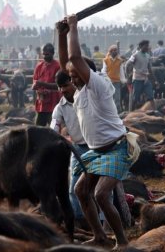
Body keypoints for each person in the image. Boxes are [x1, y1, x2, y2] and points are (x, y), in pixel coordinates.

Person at [56, 14, 131, 248]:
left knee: (100, 195)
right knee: (80, 190)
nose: (73, 79)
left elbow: (75, 58)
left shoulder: (98, 84)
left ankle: (122, 242)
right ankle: (100, 237)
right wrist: (61, 34)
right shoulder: (78, 89)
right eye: (71, 77)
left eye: (76, 75)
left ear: (87, 72)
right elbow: (65, 64)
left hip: (116, 149)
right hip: (95, 152)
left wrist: (74, 27)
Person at [50, 70, 89, 226]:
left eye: (65, 85)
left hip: (97, 146)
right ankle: (80, 219)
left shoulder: (86, 97)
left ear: (73, 82)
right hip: (77, 148)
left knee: (101, 190)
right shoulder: (61, 106)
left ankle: (103, 221)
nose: (62, 90)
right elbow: (55, 123)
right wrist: (52, 136)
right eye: (60, 87)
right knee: (73, 189)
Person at [32, 43, 61, 126]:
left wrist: (43, 84)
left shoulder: (58, 66)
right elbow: (34, 83)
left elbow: (59, 85)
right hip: (41, 103)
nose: (44, 56)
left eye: (47, 54)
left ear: (52, 53)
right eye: (43, 54)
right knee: (38, 129)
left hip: (54, 103)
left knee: (54, 129)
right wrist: (37, 87)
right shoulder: (39, 66)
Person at [125, 40, 156, 111]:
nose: (147, 48)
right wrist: (128, 77)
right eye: (146, 46)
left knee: (151, 96)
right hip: (137, 79)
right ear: (140, 46)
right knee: (136, 98)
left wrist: (154, 79)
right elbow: (127, 64)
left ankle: (154, 111)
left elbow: (149, 68)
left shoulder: (148, 56)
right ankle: (131, 112)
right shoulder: (135, 55)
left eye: (148, 46)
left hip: (145, 79)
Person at [102, 45, 124, 112]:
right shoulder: (106, 60)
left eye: (116, 50)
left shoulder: (120, 61)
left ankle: (118, 112)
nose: (115, 51)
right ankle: (108, 111)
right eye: (113, 50)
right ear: (110, 52)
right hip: (108, 82)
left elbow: (121, 71)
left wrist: (123, 80)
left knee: (117, 98)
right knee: (109, 98)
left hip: (116, 81)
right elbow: (103, 71)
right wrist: (106, 79)